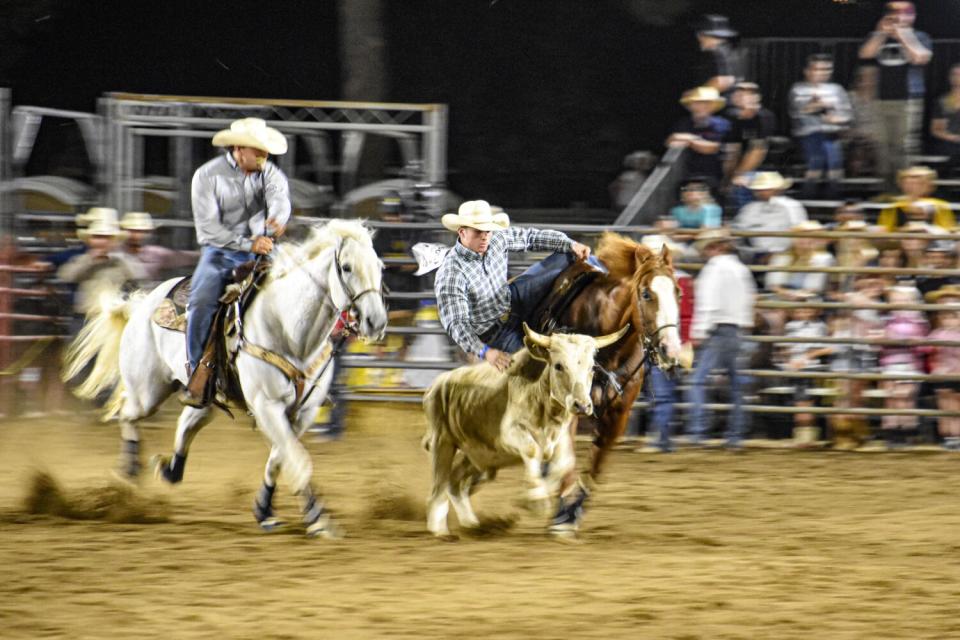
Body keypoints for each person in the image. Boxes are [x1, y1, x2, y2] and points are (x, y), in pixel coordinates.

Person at [181, 117, 291, 407]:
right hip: (219, 252)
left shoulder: (268, 173)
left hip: (261, 250)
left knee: (297, 284)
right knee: (201, 301)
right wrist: (247, 243)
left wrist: (278, 221)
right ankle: (197, 372)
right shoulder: (207, 176)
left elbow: (280, 199)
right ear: (240, 148)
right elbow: (208, 229)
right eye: (260, 151)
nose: (265, 157)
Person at [433, 200, 593, 369]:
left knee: (568, 256)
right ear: (462, 232)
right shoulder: (451, 273)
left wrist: (570, 244)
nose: (485, 236)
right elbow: (457, 324)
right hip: (496, 335)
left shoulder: (495, 239)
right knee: (539, 369)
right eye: (478, 231)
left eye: (488, 230)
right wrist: (485, 352)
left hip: (513, 299)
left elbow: (530, 238)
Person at [686, 227, 756, 450]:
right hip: (735, 330)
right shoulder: (741, 269)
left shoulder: (713, 270)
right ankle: (735, 436)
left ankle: (699, 433)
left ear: (713, 248)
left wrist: (699, 331)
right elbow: (749, 300)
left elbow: (709, 304)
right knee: (736, 385)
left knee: (698, 381)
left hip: (717, 330)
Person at [858, 1, 933, 191]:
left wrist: (903, 35)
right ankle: (886, 190)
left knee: (903, 148)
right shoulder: (880, 36)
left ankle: (905, 191)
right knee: (882, 147)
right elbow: (865, 54)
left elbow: (920, 57)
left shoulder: (919, 36)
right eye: (893, 13)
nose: (898, 16)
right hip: (881, 99)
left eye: (904, 12)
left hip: (907, 100)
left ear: (912, 15)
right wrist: (881, 33)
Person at [57, 207, 147, 320]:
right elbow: (67, 276)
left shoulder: (120, 261)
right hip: (85, 314)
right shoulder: (82, 259)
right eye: (97, 237)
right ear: (89, 240)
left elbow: (139, 276)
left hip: (112, 315)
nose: (102, 241)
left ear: (114, 240)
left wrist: (120, 258)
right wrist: (90, 260)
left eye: (107, 238)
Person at [788, 54, 853, 200]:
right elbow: (800, 110)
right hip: (809, 134)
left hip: (832, 133)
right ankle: (808, 197)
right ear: (807, 71)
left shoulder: (837, 89)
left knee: (835, 164)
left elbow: (846, 114)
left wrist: (837, 118)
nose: (822, 73)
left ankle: (834, 197)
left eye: (826, 69)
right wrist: (821, 106)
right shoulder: (798, 89)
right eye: (817, 69)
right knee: (816, 162)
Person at [731, 171, 808, 264]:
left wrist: (776, 254)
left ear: (777, 189)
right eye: (759, 190)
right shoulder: (750, 208)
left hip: (783, 253)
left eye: (765, 189)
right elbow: (738, 228)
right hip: (752, 252)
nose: (760, 192)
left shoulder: (792, 206)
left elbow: (799, 232)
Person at [667, 86, 733, 193]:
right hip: (686, 175)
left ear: (713, 106)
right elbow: (670, 141)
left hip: (714, 175)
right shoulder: (684, 123)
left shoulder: (721, 124)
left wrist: (690, 140)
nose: (701, 106)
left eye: (706, 103)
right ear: (690, 106)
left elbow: (714, 147)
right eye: (697, 103)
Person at [724, 82, 778, 209]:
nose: (742, 97)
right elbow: (733, 151)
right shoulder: (734, 118)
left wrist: (738, 175)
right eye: (739, 94)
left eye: (748, 95)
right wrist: (728, 178)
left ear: (757, 97)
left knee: (742, 184)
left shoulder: (764, 117)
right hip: (741, 168)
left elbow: (757, 151)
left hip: (764, 168)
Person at [924, 285, 960, 450]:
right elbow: (927, 348)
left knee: (955, 407)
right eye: (944, 315)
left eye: (952, 316)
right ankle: (947, 436)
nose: (948, 319)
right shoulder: (938, 333)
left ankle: (956, 437)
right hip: (942, 373)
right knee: (944, 406)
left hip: (957, 373)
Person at [119, 211, 197, 286]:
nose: (137, 235)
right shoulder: (116, 253)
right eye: (133, 231)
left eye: (142, 231)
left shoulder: (155, 254)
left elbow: (185, 257)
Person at [876, 166, 955, 231]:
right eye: (908, 182)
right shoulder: (892, 207)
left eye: (919, 183)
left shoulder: (939, 206)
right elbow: (885, 233)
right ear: (901, 184)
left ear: (929, 185)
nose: (913, 186)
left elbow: (946, 231)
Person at [693, 14, 740, 95]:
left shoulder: (717, 53)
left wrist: (696, 95)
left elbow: (723, 81)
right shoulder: (728, 51)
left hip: (721, 103)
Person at [929, 63, 960, 172]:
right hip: (949, 143)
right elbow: (936, 130)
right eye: (955, 74)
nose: (957, 78)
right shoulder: (942, 101)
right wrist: (953, 137)